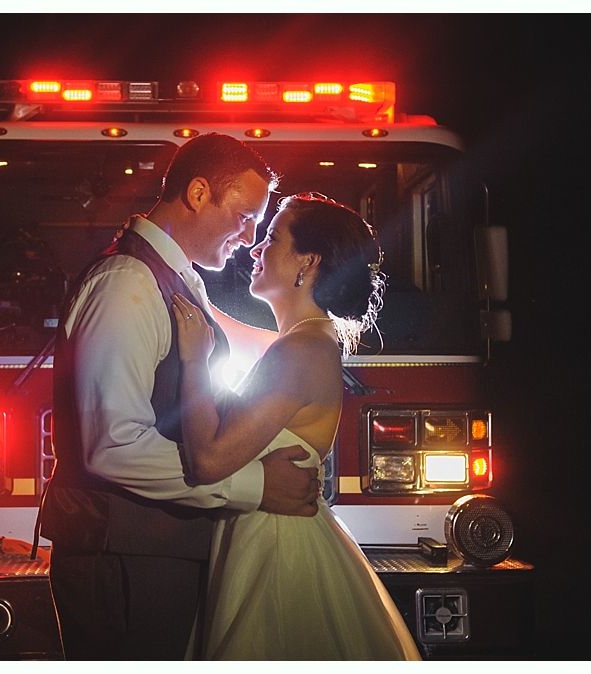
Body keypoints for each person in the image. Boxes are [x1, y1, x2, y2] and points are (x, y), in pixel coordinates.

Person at [38, 134, 321, 660]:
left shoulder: (173, 280)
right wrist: (255, 485)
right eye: (243, 216)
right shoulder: (127, 285)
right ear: (197, 193)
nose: (249, 236)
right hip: (122, 556)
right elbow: (115, 446)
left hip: (150, 552)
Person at [171, 192, 422, 660]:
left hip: (273, 550)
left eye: (271, 238)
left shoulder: (297, 353)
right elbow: (218, 324)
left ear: (307, 261)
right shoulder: (307, 340)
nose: (255, 249)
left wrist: (192, 362)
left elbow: (209, 460)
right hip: (276, 536)